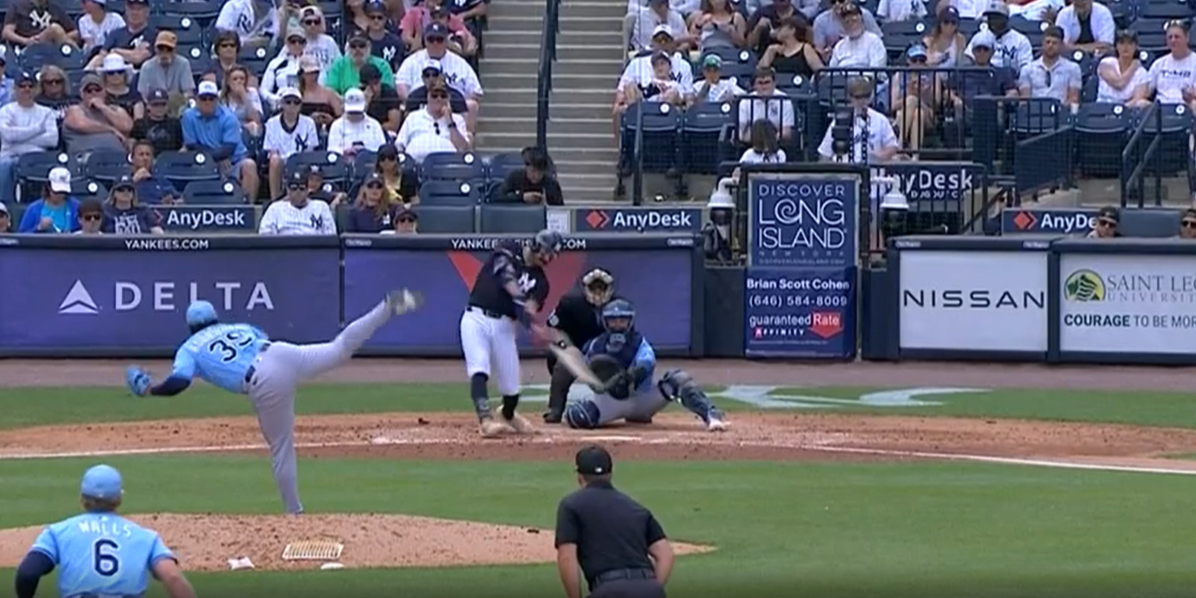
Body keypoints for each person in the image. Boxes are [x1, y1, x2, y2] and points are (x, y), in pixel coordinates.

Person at [126, 295, 418, 514]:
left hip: (263, 379)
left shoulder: (188, 348)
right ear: (215, 318)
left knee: (281, 447)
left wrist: (151, 389)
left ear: (190, 326)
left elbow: (179, 383)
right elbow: (258, 339)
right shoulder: (238, 326)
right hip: (282, 351)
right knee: (340, 348)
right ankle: (385, 307)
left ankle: (294, 514)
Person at [14, 464, 196, 598]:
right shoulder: (146, 537)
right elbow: (172, 577)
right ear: (119, 499)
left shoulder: (58, 532)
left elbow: (28, 572)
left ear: (82, 499)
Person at [556, 299, 729, 431]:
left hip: (643, 398)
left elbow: (646, 363)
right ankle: (556, 409)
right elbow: (585, 370)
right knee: (578, 417)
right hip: (611, 401)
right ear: (605, 322)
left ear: (630, 322)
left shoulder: (640, 344)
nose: (617, 325)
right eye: (613, 321)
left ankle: (710, 415)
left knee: (678, 378)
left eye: (622, 320)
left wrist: (630, 376)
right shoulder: (596, 345)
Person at [461, 229, 563, 437]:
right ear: (535, 245)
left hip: (505, 325)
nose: (547, 258)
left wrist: (534, 324)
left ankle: (508, 414)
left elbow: (530, 308)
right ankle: (486, 420)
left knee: (511, 385)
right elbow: (505, 276)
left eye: (552, 255)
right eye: (545, 252)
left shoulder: (541, 283)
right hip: (476, 317)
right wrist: (519, 299)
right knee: (479, 366)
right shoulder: (509, 248)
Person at [554, 445, 674, 598]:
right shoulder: (636, 508)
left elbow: (566, 557)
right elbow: (666, 555)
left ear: (579, 476)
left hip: (609, 589)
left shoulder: (571, 505)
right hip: (650, 588)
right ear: (610, 474)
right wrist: (651, 588)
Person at [542, 267, 619, 422]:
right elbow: (553, 329)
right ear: (585, 288)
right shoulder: (569, 303)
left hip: (608, 353)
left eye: (602, 287)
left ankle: (633, 408)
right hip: (577, 351)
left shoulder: (619, 306)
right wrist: (567, 346)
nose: (598, 292)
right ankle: (555, 408)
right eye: (594, 287)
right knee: (561, 361)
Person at [182, 81, 258, 202]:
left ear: (217, 100)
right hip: (203, 162)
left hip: (231, 161)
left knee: (249, 165)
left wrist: (215, 157)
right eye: (203, 98)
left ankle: (247, 209)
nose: (207, 102)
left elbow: (228, 148)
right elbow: (191, 145)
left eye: (211, 98)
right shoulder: (188, 116)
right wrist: (215, 160)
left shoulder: (229, 117)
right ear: (197, 99)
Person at [0, 71, 58, 204]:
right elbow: (8, 135)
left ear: (36, 89)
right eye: (22, 86)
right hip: (10, 156)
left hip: (37, 158)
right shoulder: (5, 111)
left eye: (30, 86)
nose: (26, 89)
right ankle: (4, 206)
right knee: (4, 165)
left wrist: (19, 137)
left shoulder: (46, 112)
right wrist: (38, 129)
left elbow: (52, 140)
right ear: (15, 89)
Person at [264, 87, 320, 199]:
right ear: (282, 104)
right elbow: (270, 151)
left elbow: (310, 150)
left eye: (296, 102)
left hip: (302, 161)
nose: (292, 106)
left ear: (300, 106)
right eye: (288, 102)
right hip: (280, 161)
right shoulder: (272, 123)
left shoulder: (309, 123)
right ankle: (274, 200)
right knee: (274, 160)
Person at [64, 73, 132, 154]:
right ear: (82, 94)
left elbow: (126, 126)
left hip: (117, 156)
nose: (94, 93)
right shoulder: (75, 109)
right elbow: (80, 123)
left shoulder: (115, 109)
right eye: (89, 91)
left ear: (104, 92)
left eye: (97, 90)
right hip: (84, 155)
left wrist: (102, 107)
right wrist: (111, 130)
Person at [259, 170, 337, 235]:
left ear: (307, 190)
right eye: (294, 188)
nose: (298, 192)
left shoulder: (321, 207)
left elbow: (331, 234)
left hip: (313, 249)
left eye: (302, 189)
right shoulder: (275, 208)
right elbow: (265, 235)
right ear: (288, 191)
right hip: (284, 250)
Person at [137, 31, 196, 105]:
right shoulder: (147, 67)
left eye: (169, 49)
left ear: (174, 50)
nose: (164, 53)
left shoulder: (183, 64)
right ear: (155, 49)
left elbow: (188, 92)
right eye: (160, 48)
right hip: (154, 106)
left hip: (177, 106)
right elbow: (143, 95)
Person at [327, 32, 396, 95]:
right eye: (353, 46)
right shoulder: (339, 65)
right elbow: (330, 92)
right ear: (348, 48)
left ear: (369, 46)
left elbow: (388, 93)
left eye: (362, 45)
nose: (357, 49)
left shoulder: (382, 65)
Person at [18, 167, 81, 233]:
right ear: (48, 187)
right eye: (56, 192)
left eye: (63, 192)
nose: (60, 195)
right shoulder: (33, 209)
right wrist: (39, 228)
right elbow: (22, 235)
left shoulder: (76, 207)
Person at [1097, 29, 1151, 106]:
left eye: (1130, 43)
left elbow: (1137, 100)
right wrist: (1134, 66)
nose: (1126, 47)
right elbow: (1119, 83)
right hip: (1103, 107)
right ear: (1116, 46)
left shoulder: (1142, 73)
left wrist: (1121, 110)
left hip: (1126, 110)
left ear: (1135, 46)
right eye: (1122, 43)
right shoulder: (1106, 63)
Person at [329, 88, 387, 157]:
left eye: (357, 112)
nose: (355, 114)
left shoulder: (374, 125)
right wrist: (344, 151)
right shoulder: (337, 125)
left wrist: (366, 151)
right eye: (351, 112)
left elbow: (383, 150)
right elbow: (332, 151)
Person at [496, 148, 564, 205]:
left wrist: (547, 205)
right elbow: (498, 197)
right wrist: (521, 197)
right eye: (533, 171)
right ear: (526, 168)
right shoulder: (515, 177)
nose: (536, 176)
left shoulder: (551, 184)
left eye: (540, 172)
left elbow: (560, 209)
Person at [2, 0, 78, 48]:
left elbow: (75, 33)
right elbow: (6, 32)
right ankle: (79, 60)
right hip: (28, 48)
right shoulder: (18, 6)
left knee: (55, 30)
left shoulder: (55, 8)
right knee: (54, 29)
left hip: (52, 49)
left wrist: (57, 37)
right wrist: (25, 41)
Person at [131, 88, 184, 154]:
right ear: (148, 106)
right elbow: (132, 144)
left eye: (163, 104)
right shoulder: (139, 124)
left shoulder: (175, 123)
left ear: (167, 106)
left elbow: (182, 146)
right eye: (155, 105)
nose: (159, 108)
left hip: (171, 160)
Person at [129, 140, 181, 205]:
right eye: (141, 154)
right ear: (132, 158)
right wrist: (134, 180)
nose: (145, 158)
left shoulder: (160, 179)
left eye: (148, 154)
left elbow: (179, 200)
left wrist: (172, 202)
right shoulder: (126, 178)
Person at [220, 65, 265, 138]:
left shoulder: (252, 92)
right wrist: (241, 126)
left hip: (247, 133)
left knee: (255, 126)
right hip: (228, 130)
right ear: (228, 82)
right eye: (235, 79)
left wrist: (244, 96)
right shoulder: (221, 97)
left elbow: (257, 119)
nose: (239, 82)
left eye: (242, 79)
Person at [99, 54, 142, 119]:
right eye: (111, 72)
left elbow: (139, 117)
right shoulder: (99, 93)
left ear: (125, 74)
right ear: (105, 75)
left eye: (120, 72)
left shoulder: (134, 94)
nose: (116, 75)